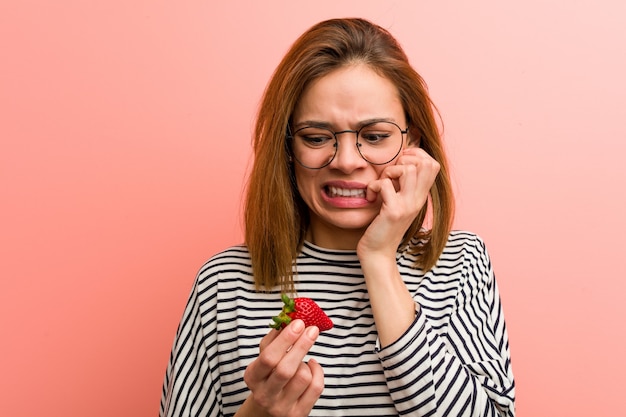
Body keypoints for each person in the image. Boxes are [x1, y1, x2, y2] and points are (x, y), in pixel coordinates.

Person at [160, 17, 515, 417]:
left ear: (412, 141)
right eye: (316, 137)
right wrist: (260, 411)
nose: (347, 162)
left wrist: (379, 258)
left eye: (375, 136)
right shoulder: (224, 283)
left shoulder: (460, 263)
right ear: (288, 148)